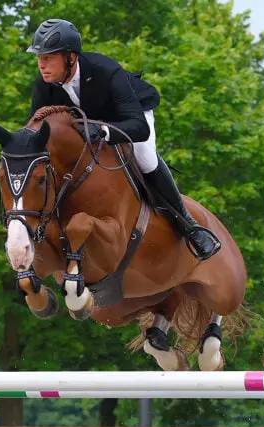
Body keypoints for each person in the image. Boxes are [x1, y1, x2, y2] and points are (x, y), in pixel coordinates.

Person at [26, 18, 220, 260]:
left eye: (48, 58)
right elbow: (35, 130)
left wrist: (106, 132)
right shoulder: (44, 85)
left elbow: (138, 127)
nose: (41, 65)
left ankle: (188, 225)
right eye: (39, 58)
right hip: (89, 125)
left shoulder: (105, 71)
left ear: (71, 57)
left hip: (128, 116)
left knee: (145, 157)